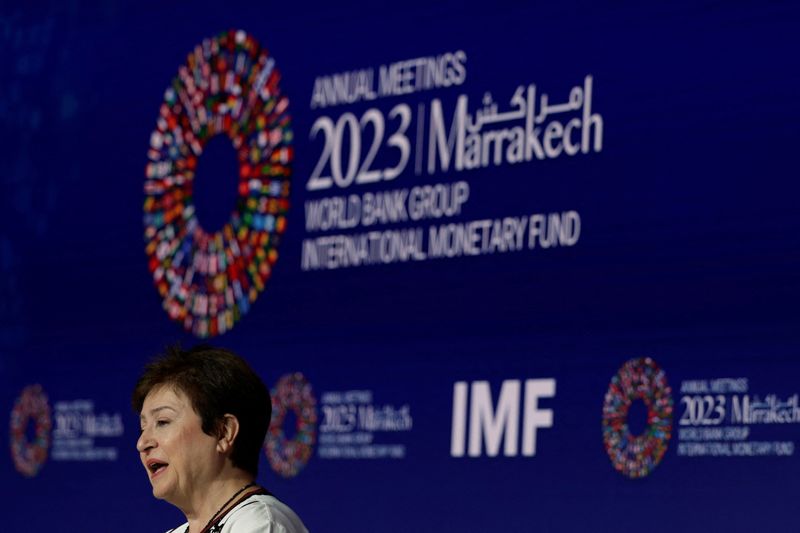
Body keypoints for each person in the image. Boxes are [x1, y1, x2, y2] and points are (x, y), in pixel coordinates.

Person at [132, 344, 309, 533]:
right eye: (143, 427)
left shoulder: (261, 525)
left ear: (223, 432)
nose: (142, 443)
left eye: (162, 421)